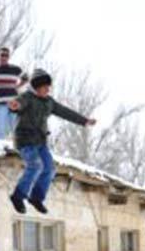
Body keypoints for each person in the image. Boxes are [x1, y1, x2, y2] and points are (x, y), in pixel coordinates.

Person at [8, 69, 97, 214]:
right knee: (36, 165)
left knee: (49, 169)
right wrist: (15, 106)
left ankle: (36, 198)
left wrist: (84, 121)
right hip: (25, 140)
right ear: (37, 87)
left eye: (49, 87)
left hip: (40, 141)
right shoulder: (28, 97)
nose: (48, 89)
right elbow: (19, 103)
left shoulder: (49, 102)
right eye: (45, 87)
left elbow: (65, 112)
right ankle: (18, 196)